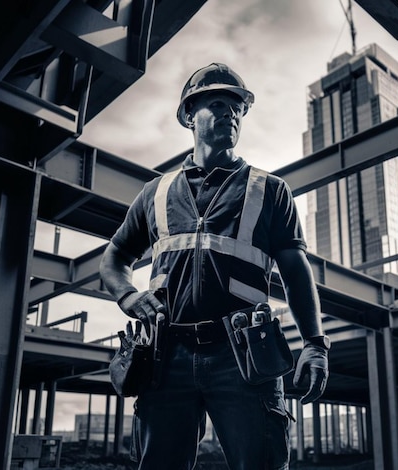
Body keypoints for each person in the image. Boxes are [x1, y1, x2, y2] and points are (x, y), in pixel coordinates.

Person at [99, 63, 330, 470]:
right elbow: (115, 256)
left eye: (237, 108)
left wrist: (315, 345)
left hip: (244, 356)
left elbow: (297, 273)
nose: (232, 114)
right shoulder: (156, 193)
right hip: (165, 356)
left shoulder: (270, 190)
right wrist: (128, 295)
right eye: (219, 103)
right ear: (189, 115)